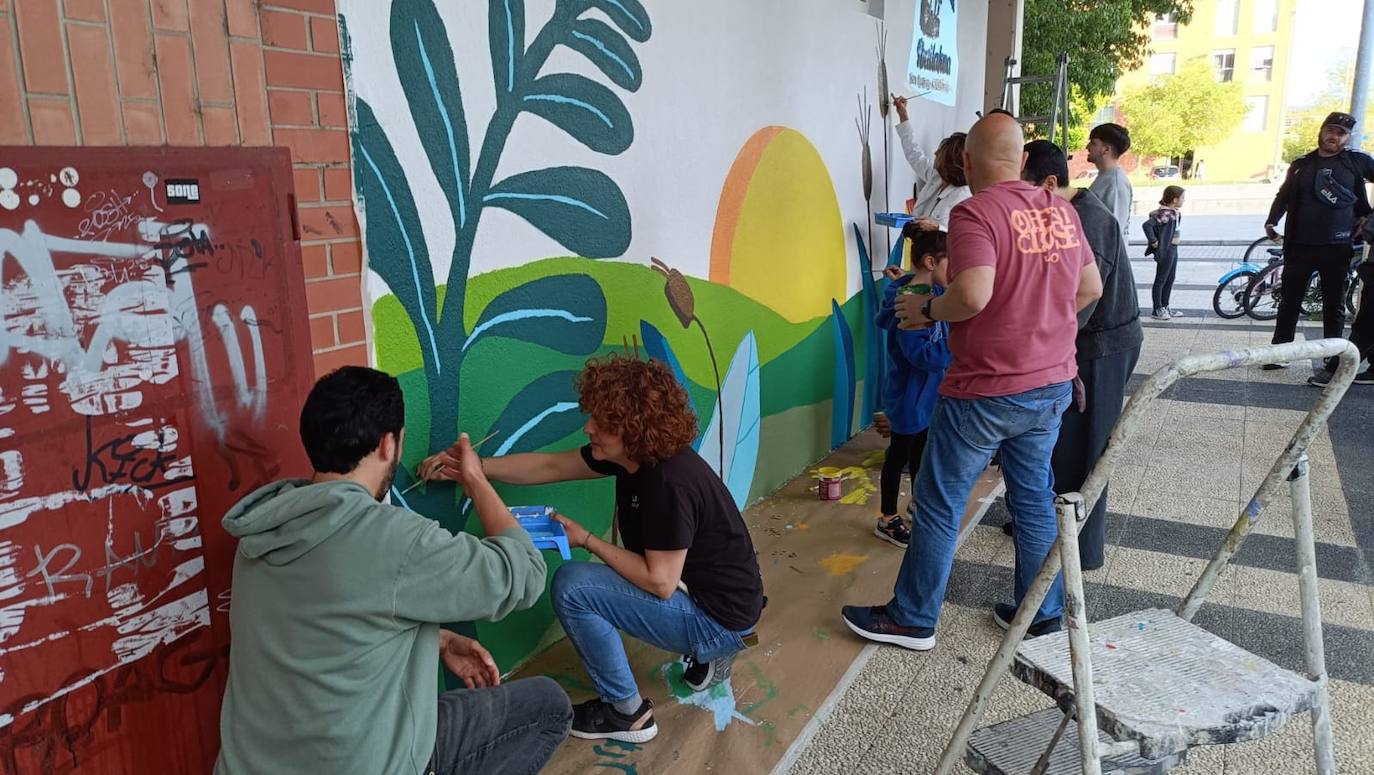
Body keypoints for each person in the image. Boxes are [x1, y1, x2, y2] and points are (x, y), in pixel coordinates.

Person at [215, 366, 570, 775]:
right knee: (548, 706)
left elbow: (327, 620)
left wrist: (435, 639)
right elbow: (523, 574)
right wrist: (475, 477)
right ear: (388, 444)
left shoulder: (265, 528)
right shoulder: (393, 539)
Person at [840, 114, 1103, 650]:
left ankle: (913, 617)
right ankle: (1042, 615)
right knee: (1033, 498)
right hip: (1050, 384)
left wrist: (931, 310)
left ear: (966, 162)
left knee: (939, 502)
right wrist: (1041, 332)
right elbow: (1090, 288)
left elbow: (975, 294)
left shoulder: (975, 212)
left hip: (985, 390)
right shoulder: (1060, 210)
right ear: (1024, 161)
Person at [419, 355, 765, 744]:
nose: (589, 428)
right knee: (589, 581)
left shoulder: (668, 482)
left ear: (632, 429)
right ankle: (711, 653)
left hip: (719, 619)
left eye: (601, 423)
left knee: (574, 586)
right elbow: (549, 466)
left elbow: (660, 582)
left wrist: (587, 540)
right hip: (726, 606)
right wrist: (477, 467)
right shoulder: (635, 458)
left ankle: (627, 713)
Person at [1019, 139, 1144, 571]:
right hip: (1077, 339)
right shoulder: (1058, 213)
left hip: (1104, 345)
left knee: (1090, 448)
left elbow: (1083, 300)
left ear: (1050, 183)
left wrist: (1031, 342)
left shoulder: (1087, 220)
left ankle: (1083, 550)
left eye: (1023, 191)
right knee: (1063, 442)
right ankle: (1046, 524)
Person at [1262, 111, 1374, 370]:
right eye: (1330, 130)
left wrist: (1369, 219)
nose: (1334, 136)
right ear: (1321, 131)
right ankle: (1280, 353)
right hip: (1299, 245)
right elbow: (1283, 195)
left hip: (1336, 247)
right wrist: (1271, 221)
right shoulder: (1302, 164)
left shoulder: (1356, 162)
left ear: (1347, 137)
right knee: (1289, 301)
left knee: (1333, 305)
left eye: (1340, 133)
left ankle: (1333, 358)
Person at [873, 227, 953, 547]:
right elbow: (920, 355)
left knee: (920, 451)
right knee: (898, 456)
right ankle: (888, 518)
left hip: (925, 395)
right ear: (931, 262)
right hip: (909, 396)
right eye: (953, 263)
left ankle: (917, 503)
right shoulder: (911, 302)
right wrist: (958, 348)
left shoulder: (925, 291)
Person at [893, 94, 973, 232]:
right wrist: (903, 116)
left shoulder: (964, 195)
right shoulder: (936, 177)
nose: (935, 153)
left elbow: (963, 235)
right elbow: (914, 154)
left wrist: (937, 228)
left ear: (951, 160)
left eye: (940, 152)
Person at [1143, 185, 1186, 320]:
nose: (1184, 200)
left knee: (1170, 278)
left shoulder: (1174, 212)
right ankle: (1157, 309)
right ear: (1174, 199)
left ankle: (1165, 306)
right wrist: (1154, 241)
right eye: (1182, 198)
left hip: (1173, 249)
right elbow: (1147, 225)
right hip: (1167, 250)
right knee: (1161, 279)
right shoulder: (1166, 213)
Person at [1086, 122, 1134, 242]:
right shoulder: (1107, 177)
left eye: (1093, 143)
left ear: (1106, 149)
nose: (1087, 147)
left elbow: (1112, 232)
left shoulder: (1115, 183)